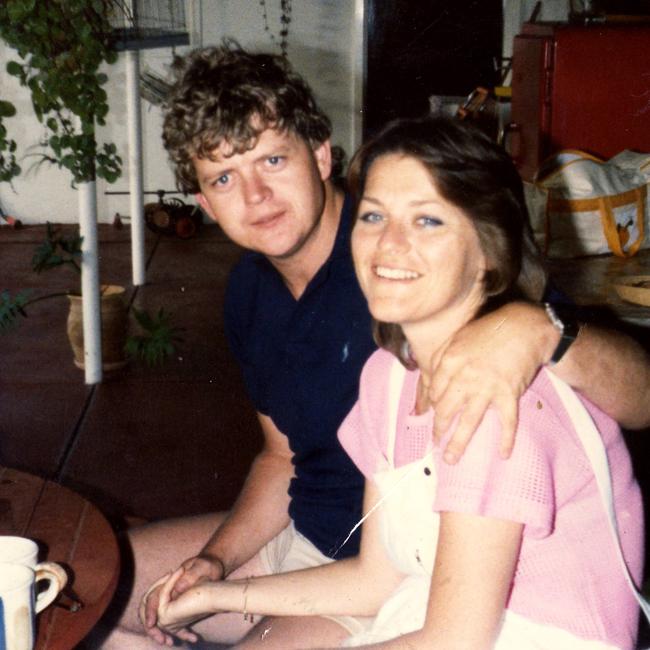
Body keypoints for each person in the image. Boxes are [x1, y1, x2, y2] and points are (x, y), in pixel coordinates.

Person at [103, 44, 650, 649]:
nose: (256, 195)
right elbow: (281, 459)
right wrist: (217, 566)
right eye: (226, 178)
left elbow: (635, 397)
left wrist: (541, 329)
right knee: (96, 585)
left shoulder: (446, 307)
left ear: (320, 156)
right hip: (356, 558)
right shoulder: (342, 338)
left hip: (453, 591)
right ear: (204, 203)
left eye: (274, 160)